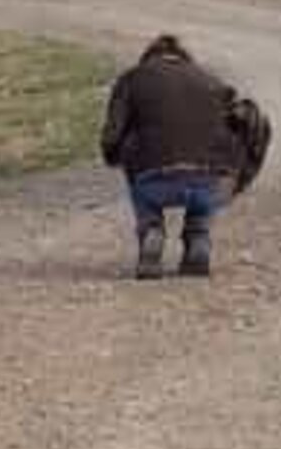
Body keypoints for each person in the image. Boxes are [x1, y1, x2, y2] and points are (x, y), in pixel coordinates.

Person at [100, 34, 239, 279]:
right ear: (184, 60)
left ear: (148, 59)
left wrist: (117, 157)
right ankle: (199, 238)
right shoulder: (212, 81)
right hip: (208, 185)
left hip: (154, 182)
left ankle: (151, 229)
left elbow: (112, 138)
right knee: (210, 167)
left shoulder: (132, 79)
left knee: (134, 152)